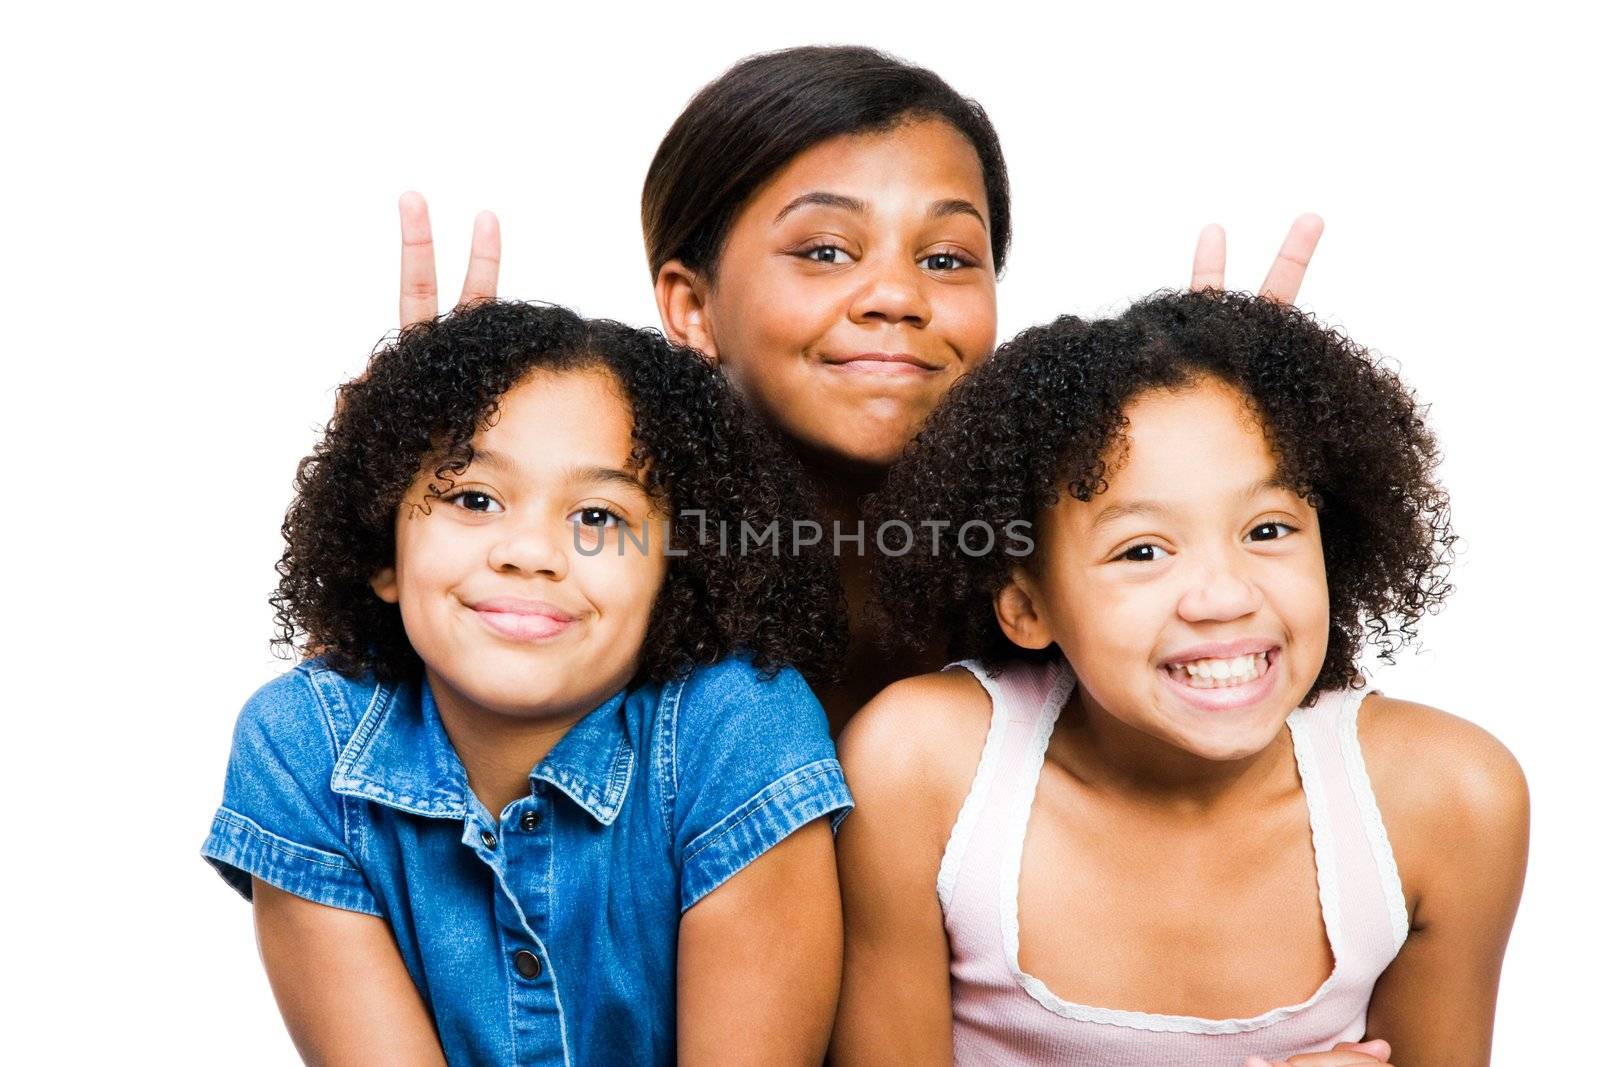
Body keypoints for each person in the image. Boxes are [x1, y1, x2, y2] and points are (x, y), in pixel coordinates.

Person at [396, 45, 1324, 725]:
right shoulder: (588, 554)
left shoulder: (1063, 547)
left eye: (949, 256)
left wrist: (1213, 459)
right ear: (690, 307)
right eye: (827, 250)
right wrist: (428, 490)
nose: (896, 295)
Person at [834, 291, 1528, 1065]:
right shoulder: (921, 770)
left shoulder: (1448, 801)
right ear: (1027, 604)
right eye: (1142, 551)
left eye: (1267, 530)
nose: (1225, 595)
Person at [202, 301, 853, 1064]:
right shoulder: (300, 745)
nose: (531, 552)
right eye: (474, 498)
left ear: (675, 576)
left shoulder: (741, 728)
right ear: (383, 549)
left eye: (599, 516)